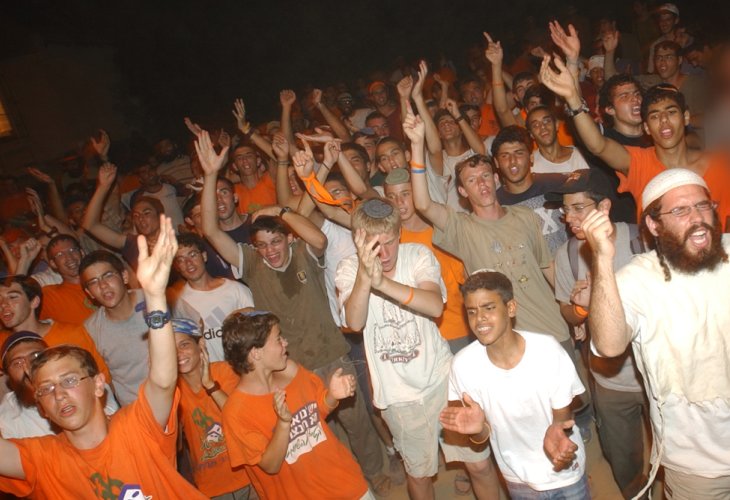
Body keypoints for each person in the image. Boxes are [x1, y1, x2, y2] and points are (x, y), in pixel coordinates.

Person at [196, 130, 390, 494]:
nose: (269, 250)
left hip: (331, 353)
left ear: (288, 237)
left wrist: (281, 211)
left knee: (357, 422)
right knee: (314, 435)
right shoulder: (250, 263)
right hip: (288, 367)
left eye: (275, 241)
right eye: (261, 245)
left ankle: (376, 474)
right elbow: (210, 229)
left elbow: (319, 238)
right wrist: (210, 176)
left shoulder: (303, 251)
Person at [0, 215, 208, 498]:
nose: (58, 394)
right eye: (46, 389)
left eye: (69, 380)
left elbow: (162, 382)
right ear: (41, 406)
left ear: (98, 384)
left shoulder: (135, 428)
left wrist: (155, 297)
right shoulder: (44, 459)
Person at [583, 168, 730, 498]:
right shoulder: (637, 279)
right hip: (697, 463)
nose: (697, 218)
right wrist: (602, 259)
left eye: (703, 206)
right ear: (653, 224)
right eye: (680, 210)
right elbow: (609, 346)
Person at [336, 197, 489, 500]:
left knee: (479, 464)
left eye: (390, 242)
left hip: (441, 379)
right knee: (419, 476)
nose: (384, 254)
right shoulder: (348, 268)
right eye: (375, 246)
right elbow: (354, 321)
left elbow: (434, 305)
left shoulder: (417, 254)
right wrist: (366, 276)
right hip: (398, 397)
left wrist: (383, 283)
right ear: (359, 242)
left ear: (399, 234)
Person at [539, 49, 730, 228]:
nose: (664, 120)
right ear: (646, 127)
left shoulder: (719, 165)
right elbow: (598, 145)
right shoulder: (638, 163)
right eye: (654, 116)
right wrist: (573, 98)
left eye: (671, 112)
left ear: (686, 117)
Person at [440, 271, 589, 499]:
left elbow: (562, 415)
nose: (479, 319)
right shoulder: (463, 366)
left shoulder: (547, 351)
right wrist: (478, 430)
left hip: (564, 470)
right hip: (517, 477)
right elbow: (481, 436)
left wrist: (557, 432)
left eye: (489, 308)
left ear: (510, 308)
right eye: (472, 311)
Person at [546, 170, 649, 498]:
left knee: (677, 453)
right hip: (610, 381)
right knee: (624, 460)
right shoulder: (568, 255)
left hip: (657, 373)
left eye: (579, 208)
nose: (569, 218)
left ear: (604, 207)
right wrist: (582, 309)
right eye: (566, 210)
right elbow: (566, 311)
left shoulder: (641, 240)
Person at [221, 311, 373, 499]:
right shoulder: (236, 412)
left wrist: (333, 396)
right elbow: (271, 465)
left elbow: (317, 411)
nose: (285, 343)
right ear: (255, 353)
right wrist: (283, 424)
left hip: (345, 483)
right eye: (278, 339)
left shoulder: (290, 370)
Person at [173, 317, 255, 499]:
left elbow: (244, 420)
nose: (178, 353)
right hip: (212, 487)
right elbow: (176, 447)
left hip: (248, 477)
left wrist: (210, 385)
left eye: (184, 345)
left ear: (200, 344)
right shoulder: (173, 393)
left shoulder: (226, 372)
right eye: (171, 349)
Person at [0, 275, 111, 385]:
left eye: (12, 297)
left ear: (34, 302)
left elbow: (103, 380)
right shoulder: (2, 343)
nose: (3, 304)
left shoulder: (71, 334)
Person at [80, 251, 150, 406]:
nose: (103, 286)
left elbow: (195, 328)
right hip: (136, 410)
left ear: (124, 276)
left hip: (181, 399)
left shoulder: (155, 299)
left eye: (108, 276)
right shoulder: (91, 330)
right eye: (93, 282)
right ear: (89, 293)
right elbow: (103, 380)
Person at [172, 232, 254, 362]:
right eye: (181, 260)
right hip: (209, 371)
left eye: (193, 255)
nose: (188, 263)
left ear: (204, 256)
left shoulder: (236, 290)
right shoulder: (178, 303)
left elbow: (258, 331)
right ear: (177, 266)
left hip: (243, 367)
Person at [492, 125, 569, 254]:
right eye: (505, 156)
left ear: (531, 157)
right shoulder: (494, 204)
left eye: (519, 153)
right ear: (496, 162)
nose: (512, 161)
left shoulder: (558, 184)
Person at [82, 163, 166, 271]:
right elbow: (90, 225)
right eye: (136, 215)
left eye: (146, 213)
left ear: (160, 216)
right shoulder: (134, 245)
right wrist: (103, 187)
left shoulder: (176, 241)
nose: (140, 218)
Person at [37, 235, 97, 325]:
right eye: (60, 255)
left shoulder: (103, 281)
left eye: (72, 250)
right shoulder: (50, 296)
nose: (69, 257)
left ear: (82, 253)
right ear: (53, 264)